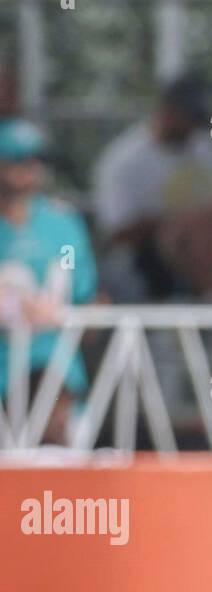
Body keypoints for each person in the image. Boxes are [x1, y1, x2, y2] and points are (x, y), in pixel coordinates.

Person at [92, 73, 212, 302]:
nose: (192, 127)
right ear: (167, 111)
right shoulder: (123, 160)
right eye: (188, 117)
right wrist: (180, 223)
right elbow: (118, 233)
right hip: (151, 265)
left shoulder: (206, 147)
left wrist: (202, 219)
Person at [0, 119, 96, 424]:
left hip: (57, 367)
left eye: (36, 159)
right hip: (5, 366)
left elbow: (87, 294)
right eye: (16, 158)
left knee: (53, 404)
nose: (28, 168)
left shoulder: (63, 224)